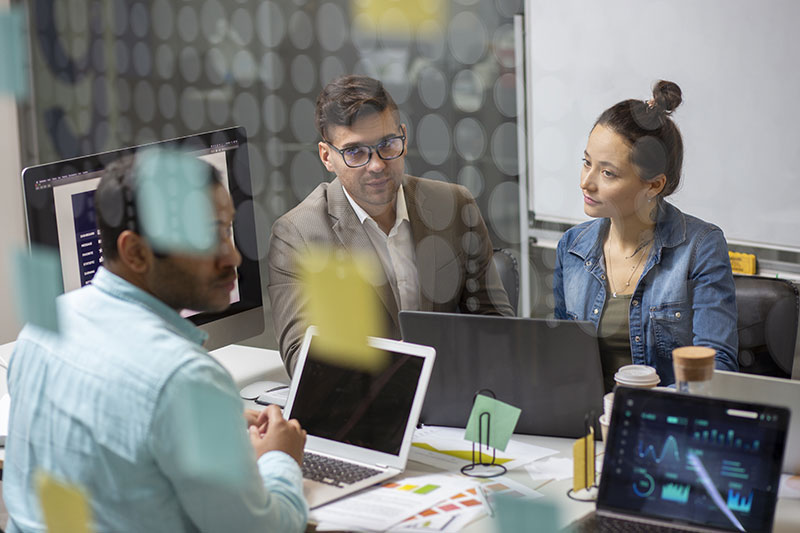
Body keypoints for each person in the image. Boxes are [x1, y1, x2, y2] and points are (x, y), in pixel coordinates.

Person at [4, 156, 308, 532]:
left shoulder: (43, 327)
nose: (233, 256)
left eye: (227, 229)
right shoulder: (186, 378)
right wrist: (281, 458)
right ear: (135, 252)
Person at [268, 75, 514, 375]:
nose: (377, 165)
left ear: (404, 138)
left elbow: (497, 330)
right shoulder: (299, 235)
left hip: (450, 397)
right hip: (366, 406)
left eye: (387, 144)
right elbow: (302, 360)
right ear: (326, 157)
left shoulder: (454, 207)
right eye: (355, 152)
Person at [553, 80, 738, 390]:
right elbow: (559, 358)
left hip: (662, 426)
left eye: (607, 172)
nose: (586, 182)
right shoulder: (572, 247)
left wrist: (636, 410)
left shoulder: (701, 247)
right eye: (586, 163)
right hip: (587, 425)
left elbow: (714, 370)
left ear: (654, 185)